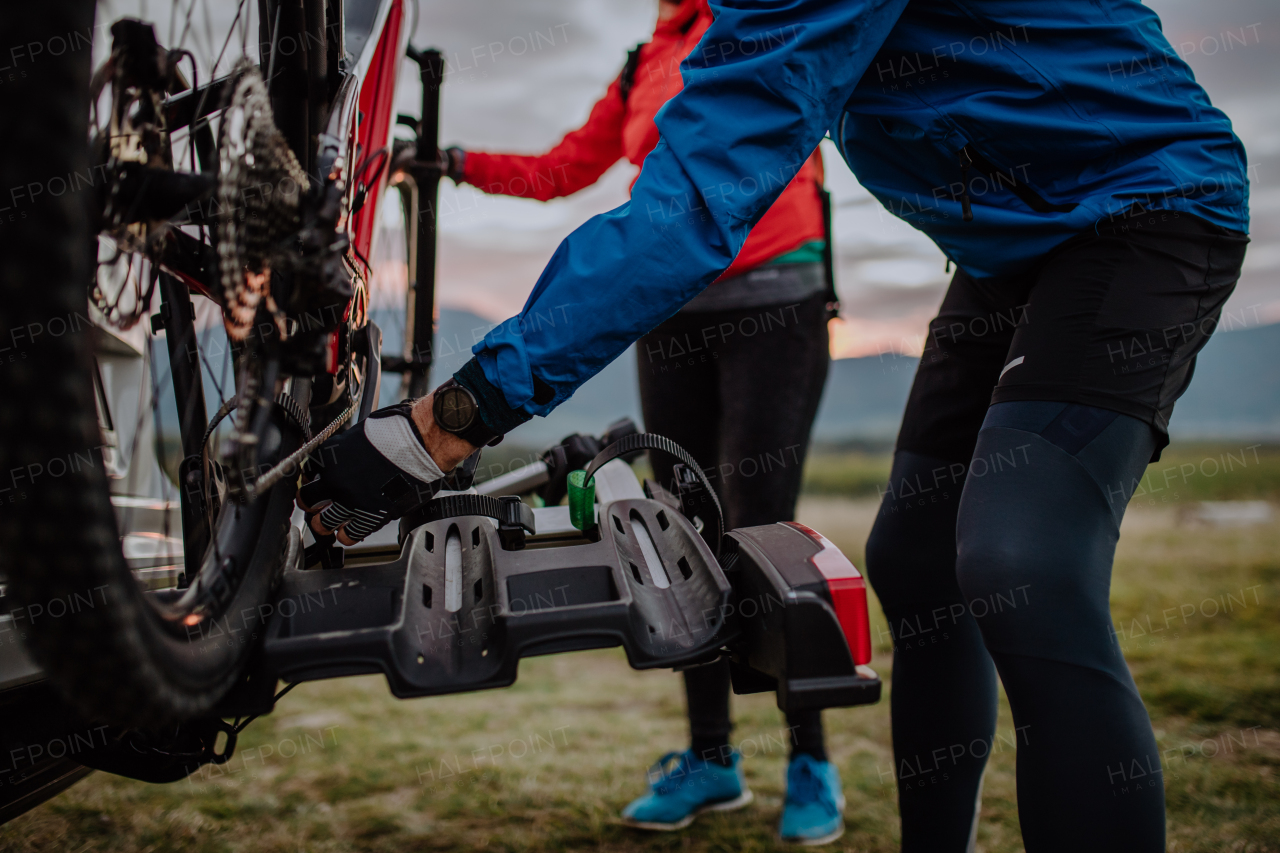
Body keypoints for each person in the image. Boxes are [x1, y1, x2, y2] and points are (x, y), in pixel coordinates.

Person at [297, 1, 1249, 850]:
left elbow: (700, 196)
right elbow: (595, 168)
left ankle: (809, 768)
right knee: (918, 562)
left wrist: (444, 423)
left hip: (1145, 207)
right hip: (1012, 249)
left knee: (1021, 560)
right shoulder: (664, 45)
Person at [433, 0, 843, 842]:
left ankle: (811, 758)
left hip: (777, 303)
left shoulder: (775, 17)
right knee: (682, 531)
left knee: (763, 532)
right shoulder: (640, 61)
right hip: (670, 311)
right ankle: (712, 758)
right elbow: (561, 170)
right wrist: (454, 160)